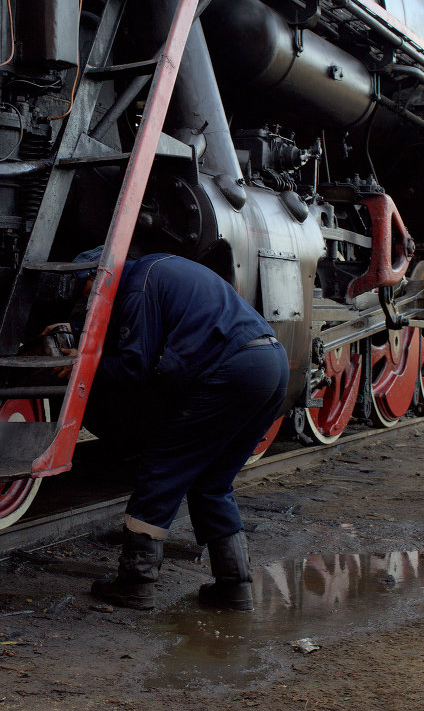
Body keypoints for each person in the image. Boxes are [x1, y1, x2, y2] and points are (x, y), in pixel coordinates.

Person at [71, 248, 289, 611]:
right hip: (271, 364)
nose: (90, 302)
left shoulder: (136, 287)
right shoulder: (161, 268)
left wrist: (79, 367)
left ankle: (136, 582)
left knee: (161, 468)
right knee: (212, 484)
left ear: (98, 276)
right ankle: (234, 587)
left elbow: (133, 367)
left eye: (88, 290)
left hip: (232, 370)